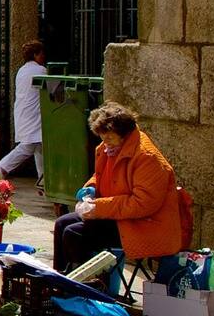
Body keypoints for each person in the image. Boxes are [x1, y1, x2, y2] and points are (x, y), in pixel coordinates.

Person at [56, 103, 189, 273]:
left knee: (74, 233)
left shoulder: (147, 158)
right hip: (119, 215)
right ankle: (59, 283)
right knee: (61, 224)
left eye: (109, 138)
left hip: (144, 223)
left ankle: (82, 287)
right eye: (102, 137)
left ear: (124, 134)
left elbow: (142, 204)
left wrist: (99, 207)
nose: (105, 143)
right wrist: (91, 189)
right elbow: (101, 176)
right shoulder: (107, 148)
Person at [0, 40, 49, 179]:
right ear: (35, 54)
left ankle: (43, 179)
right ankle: (0, 170)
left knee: (40, 146)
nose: (43, 56)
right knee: (28, 146)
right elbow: (51, 89)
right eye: (41, 54)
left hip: (24, 112)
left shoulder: (22, 70)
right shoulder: (40, 70)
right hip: (34, 114)